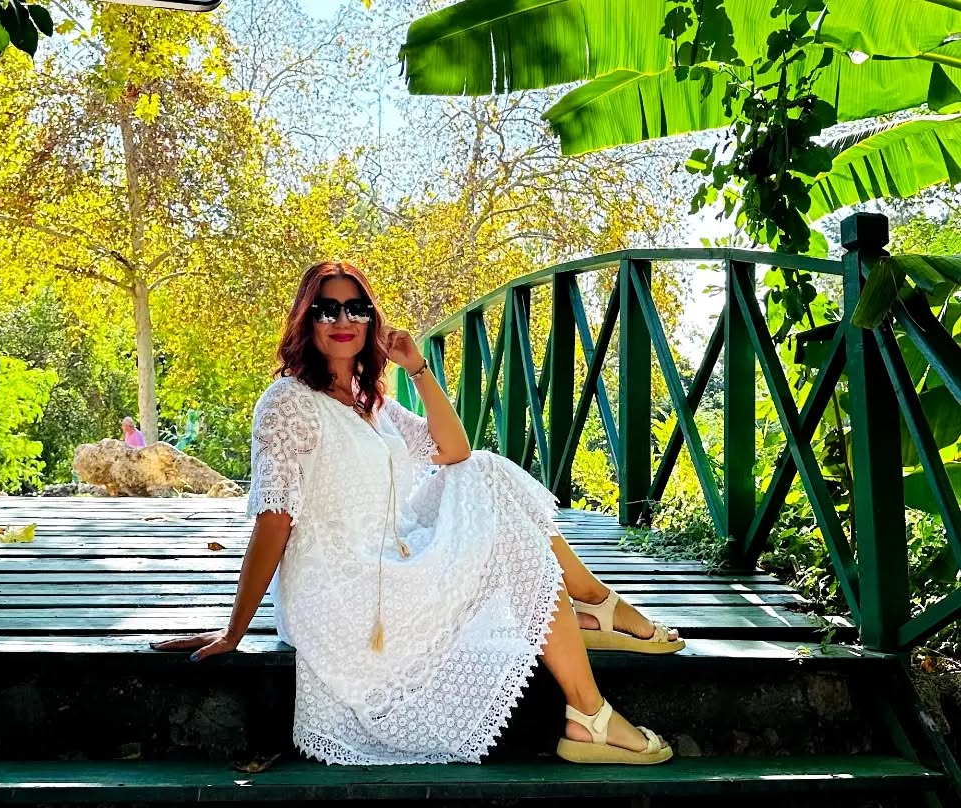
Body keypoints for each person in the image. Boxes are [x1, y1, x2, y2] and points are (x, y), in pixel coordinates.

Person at [152, 262, 682, 766]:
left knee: (486, 473)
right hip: (340, 585)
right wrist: (235, 630)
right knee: (507, 526)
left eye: (356, 308)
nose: (342, 320)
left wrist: (418, 369)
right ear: (305, 320)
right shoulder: (287, 403)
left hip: (393, 550)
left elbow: (455, 451)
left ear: (371, 320)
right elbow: (274, 520)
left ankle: (590, 633)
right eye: (327, 309)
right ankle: (591, 672)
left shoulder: (370, 400)